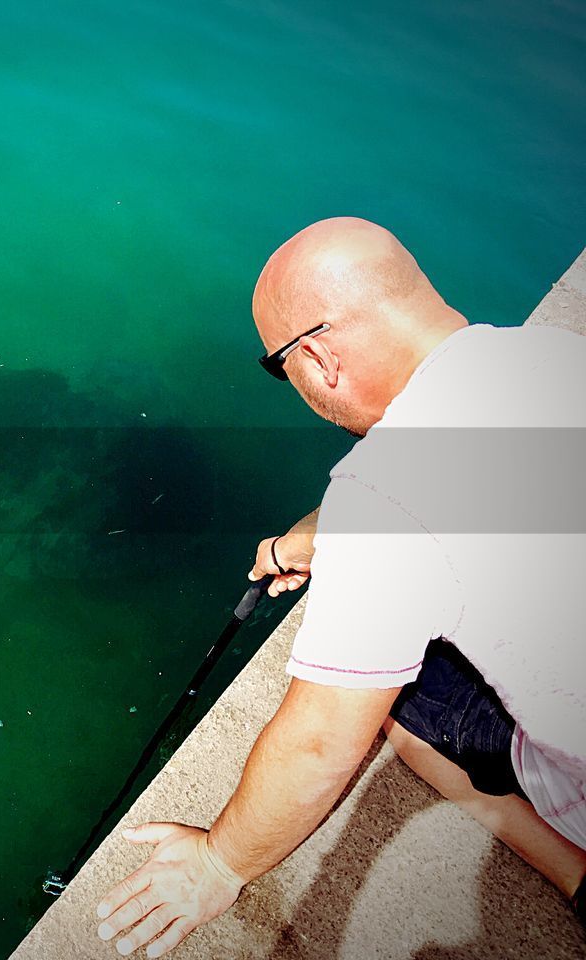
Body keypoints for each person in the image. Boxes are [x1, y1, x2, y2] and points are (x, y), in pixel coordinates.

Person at [95, 218, 586, 957]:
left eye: (276, 366)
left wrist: (218, 861)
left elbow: (321, 740)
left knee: (403, 703)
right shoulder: (551, 355)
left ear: (318, 357)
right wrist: (321, 534)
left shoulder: (381, 494)